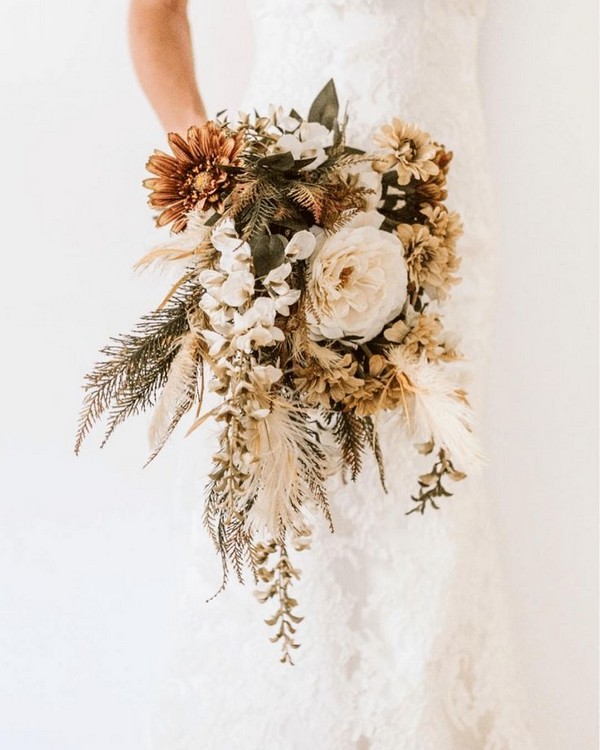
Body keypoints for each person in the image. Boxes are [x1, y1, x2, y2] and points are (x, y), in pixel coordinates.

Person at [129, 1, 539, 748]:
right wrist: (212, 171)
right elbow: (156, 13)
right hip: (292, 200)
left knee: (429, 506)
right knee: (289, 500)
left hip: (446, 222)